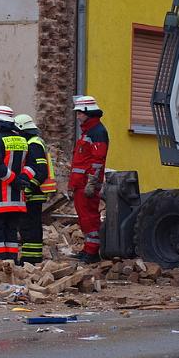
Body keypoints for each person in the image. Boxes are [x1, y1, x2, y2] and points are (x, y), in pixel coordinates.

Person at [0, 105, 28, 261]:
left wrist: (13, 180)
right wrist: (21, 181)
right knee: (11, 233)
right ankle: (11, 264)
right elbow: (28, 165)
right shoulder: (23, 141)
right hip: (17, 200)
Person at [69, 95, 109, 263]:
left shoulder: (97, 131)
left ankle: (92, 252)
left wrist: (92, 183)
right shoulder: (89, 131)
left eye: (79, 113)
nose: (77, 116)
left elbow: (97, 160)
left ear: (88, 112)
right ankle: (88, 249)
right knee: (84, 217)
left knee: (89, 218)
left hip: (87, 184)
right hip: (81, 183)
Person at [14, 114, 56, 264]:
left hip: (34, 193)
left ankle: (30, 258)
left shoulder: (34, 145)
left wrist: (30, 187)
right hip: (34, 193)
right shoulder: (35, 142)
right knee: (30, 225)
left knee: (29, 226)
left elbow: (41, 170)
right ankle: (31, 257)